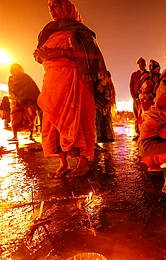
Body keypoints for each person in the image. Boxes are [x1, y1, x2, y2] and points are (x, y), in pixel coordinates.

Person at [34, 0, 110, 178]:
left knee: (78, 121)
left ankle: (82, 163)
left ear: (67, 7)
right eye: (50, 8)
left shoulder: (80, 31)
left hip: (76, 82)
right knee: (54, 123)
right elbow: (43, 55)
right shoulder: (48, 31)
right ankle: (63, 164)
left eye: (56, 6)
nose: (53, 10)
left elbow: (91, 57)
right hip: (52, 82)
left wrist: (57, 53)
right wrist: (41, 55)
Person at [7, 64, 40, 141]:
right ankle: (15, 136)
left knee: (31, 117)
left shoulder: (26, 78)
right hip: (16, 101)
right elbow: (10, 90)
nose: (15, 71)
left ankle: (31, 135)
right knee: (15, 118)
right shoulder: (11, 79)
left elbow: (32, 88)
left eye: (16, 69)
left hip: (29, 101)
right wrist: (15, 98)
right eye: (13, 69)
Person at [95, 71, 116, 151]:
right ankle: (95, 143)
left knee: (104, 125)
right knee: (97, 124)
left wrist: (108, 104)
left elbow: (110, 95)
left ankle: (104, 142)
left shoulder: (108, 86)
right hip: (98, 106)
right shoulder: (98, 84)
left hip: (105, 106)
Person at [129, 57, 148, 141]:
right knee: (137, 116)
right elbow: (131, 86)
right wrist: (133, 96)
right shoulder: (134, 75)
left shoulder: (148, 74)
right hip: (136, 98)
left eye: (142, 63)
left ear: (145, 64)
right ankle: (138, 133)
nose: (141, 65)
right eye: (139, 63)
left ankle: (145, 133)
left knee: (145, 116)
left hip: (145, 98)